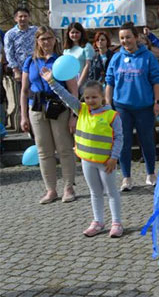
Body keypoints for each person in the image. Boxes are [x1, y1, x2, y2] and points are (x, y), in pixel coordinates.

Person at [41, 72, 124, 238]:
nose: (90, 101)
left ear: (102, 97)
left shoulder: (111, 115)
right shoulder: (81, 110)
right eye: (87, 97)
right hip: (87, 161)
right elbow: (65, 96)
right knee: (95, 192)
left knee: (111, 192)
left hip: (106, 162)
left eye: (94, 97)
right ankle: (98, 221)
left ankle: (117, 222)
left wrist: (114, 158)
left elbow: (119, 138)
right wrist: (52, 81)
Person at [20, 26, 79, 204]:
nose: (46, 42)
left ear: (55, 40)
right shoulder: (30, 61)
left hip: (59, 107)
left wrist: (73, 115)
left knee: (64, 148)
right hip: (36, 107)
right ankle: (50, 189)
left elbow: (73, 90)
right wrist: (23, 116)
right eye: (42, 39)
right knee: (43, 151)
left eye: (49, 38)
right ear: (37, 41)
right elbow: (24, 91)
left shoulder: (62, 60)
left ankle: (68, 187)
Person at [105, 22, 159, 190]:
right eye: (122, 38)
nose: (125, 41)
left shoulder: (148, 57)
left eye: (128, 37)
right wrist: (108, 105)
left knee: (147, 141)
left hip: (144, 107)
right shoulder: (116, 58)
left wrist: (157, 102)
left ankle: (151, 173)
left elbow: (156, 81)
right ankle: (126, 177)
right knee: (123, 143)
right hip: (122, 107)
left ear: (136, 37)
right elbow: (110, 82)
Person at [4, 7, 37, 131]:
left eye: (25, 16)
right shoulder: (10, 34)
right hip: (21, 71)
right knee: (22, 98)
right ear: (15, 18)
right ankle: (24, 124)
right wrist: (15, 70)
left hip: (36, 68)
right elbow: (9, 53)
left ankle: (35, 124)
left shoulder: (36, 30)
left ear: (29, 17)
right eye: (20, 16)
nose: (23, 19)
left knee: (35, 96)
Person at [62, 22, 95, 88]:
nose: (74, 34)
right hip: (69, 80)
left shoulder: (87, 46)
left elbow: (88, 65)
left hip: (82, 80)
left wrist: (79, 83)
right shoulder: (66, 50)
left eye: (77, 32)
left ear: (81, 33)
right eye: (72, 32)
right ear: (68, 34)